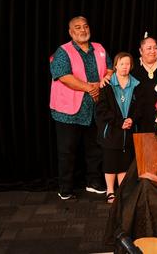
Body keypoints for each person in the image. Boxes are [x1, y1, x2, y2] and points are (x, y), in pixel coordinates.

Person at [49, 16, 112, 199]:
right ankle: (65, 188)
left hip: (94, 109)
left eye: (85, 26)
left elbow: (110, 68)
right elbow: (63, 76)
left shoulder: (99, 48)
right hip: (68, 110)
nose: (83, 30)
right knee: (67, 150)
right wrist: (90, 87)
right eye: (78, 27)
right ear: (71, 32)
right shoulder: (63, 51)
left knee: (95, 148)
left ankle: (93, 181)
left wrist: (103, 82)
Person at [95, 52, 141, 203]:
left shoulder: (135, 84)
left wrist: (131, 120)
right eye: (121, 64)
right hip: (111, 130)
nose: (125, 67)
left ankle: (121, 190)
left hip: (127, 131)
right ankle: (110, 191)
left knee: (123, 162)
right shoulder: (107, 85)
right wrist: (118, 121)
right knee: (110, 162)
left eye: (128, 64)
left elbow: (139, 108)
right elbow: (101, 109)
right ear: (115, 66)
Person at [133, 36, 157, 133]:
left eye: (155, 48)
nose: (153, 51)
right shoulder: (133, 66)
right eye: (149, 48)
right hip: (139, 118)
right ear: (141, 51)